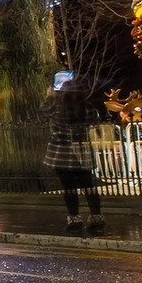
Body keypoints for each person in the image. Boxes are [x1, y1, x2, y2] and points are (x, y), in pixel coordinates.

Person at [42, 71, 103, 235]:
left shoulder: (57, 108)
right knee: (89, 186)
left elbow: (43, 111)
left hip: (61, 151)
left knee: (68, 188)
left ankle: (74, 218)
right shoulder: (88, 109)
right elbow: (96, 122)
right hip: (82, 150)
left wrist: (50, 96)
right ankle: (96, 216)